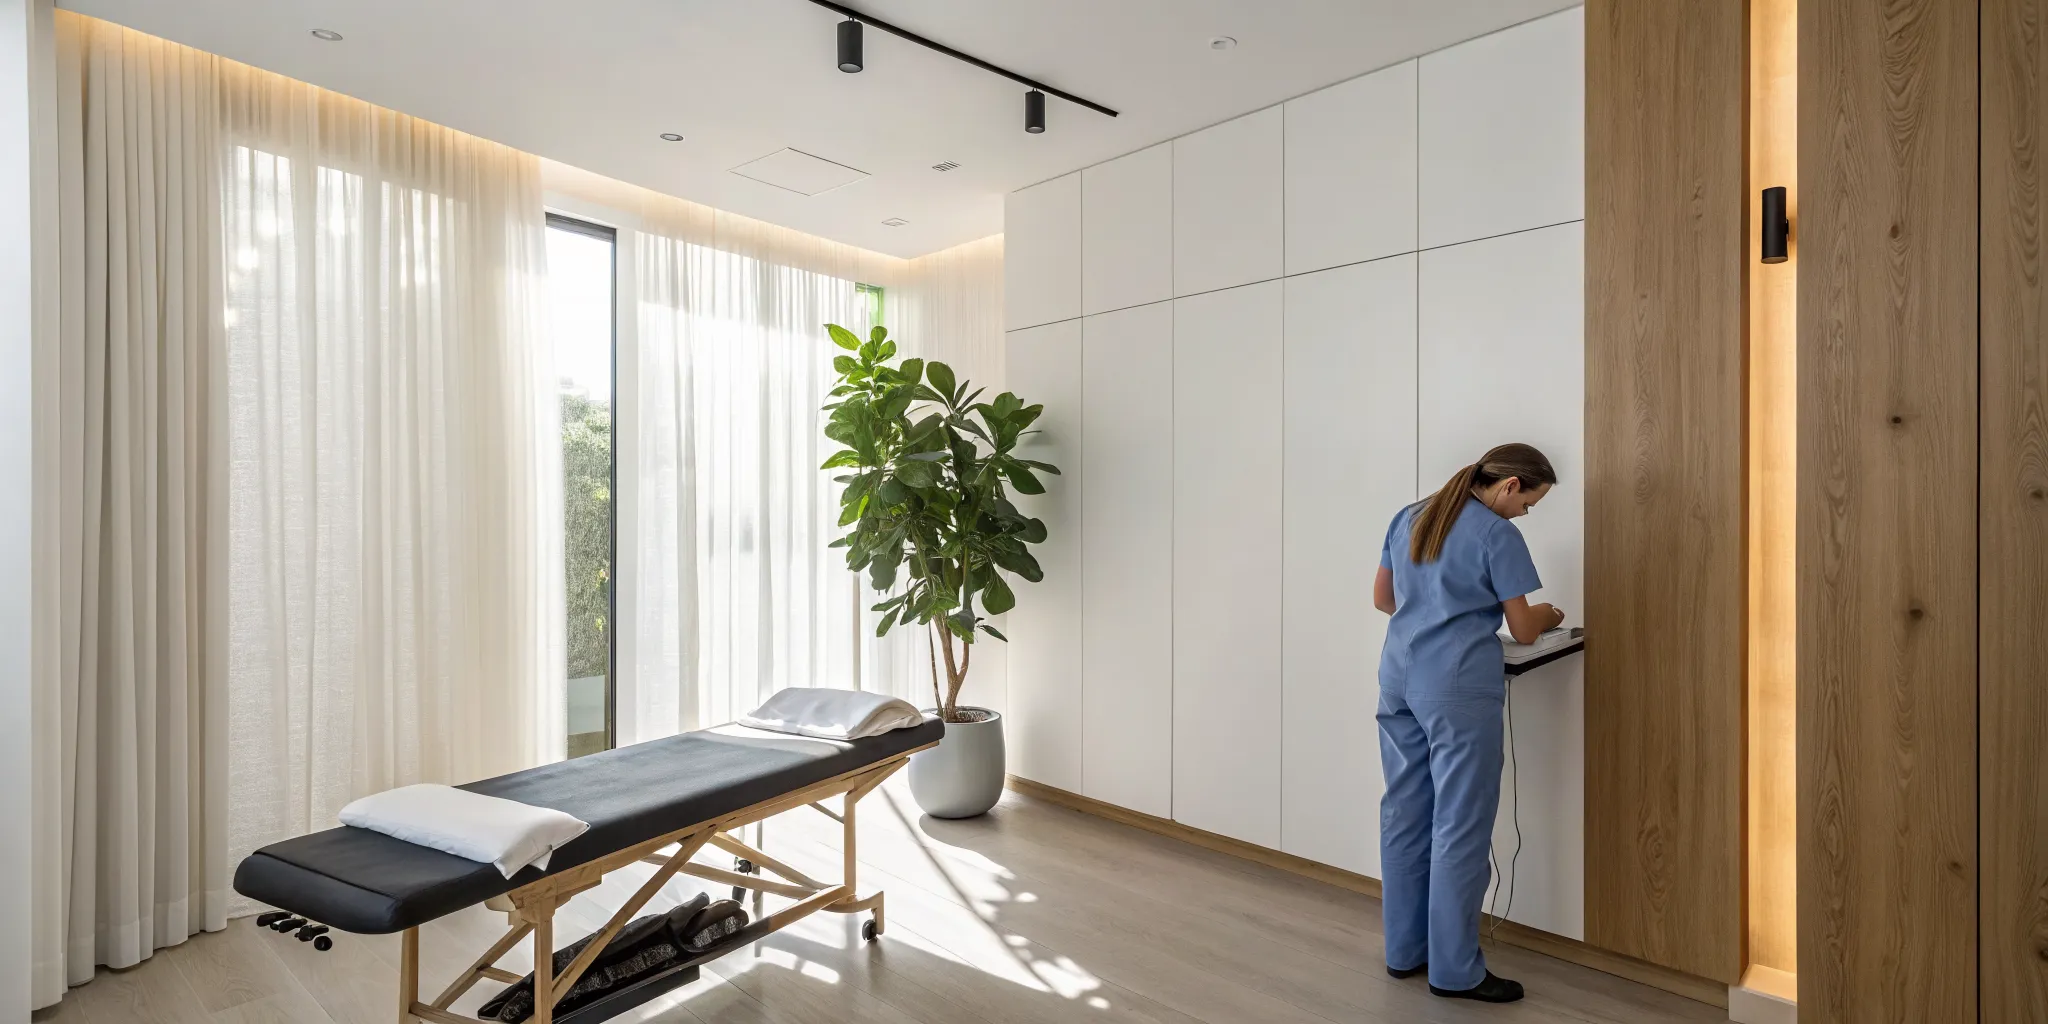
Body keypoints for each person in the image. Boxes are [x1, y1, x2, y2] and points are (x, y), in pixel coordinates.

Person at [1371, 443, 1564, 1004]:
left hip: (1398, 676)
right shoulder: (1496, 534)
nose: (1526, 513)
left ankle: (1405, 952)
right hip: (1455, 688)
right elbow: (1525, 629)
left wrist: (1431, 614)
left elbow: (1383, 599)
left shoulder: (1411, 515)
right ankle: (1455, 971)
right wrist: (1549, 614)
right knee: (1460, 822)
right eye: (1530, 502)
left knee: (1405, 814)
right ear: (1509, 486)